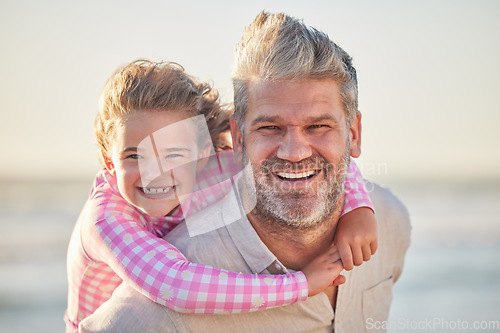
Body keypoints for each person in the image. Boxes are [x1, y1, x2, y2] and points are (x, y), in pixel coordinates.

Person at [66, 59, 377, 331]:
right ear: (109, 161)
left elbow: (311, 160)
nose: (154, 173)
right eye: (134, 156)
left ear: (202, 153)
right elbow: (175, 284)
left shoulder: (210, 167)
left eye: (173, 155)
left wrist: (358, 207)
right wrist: (301, 285)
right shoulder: (106, 219)